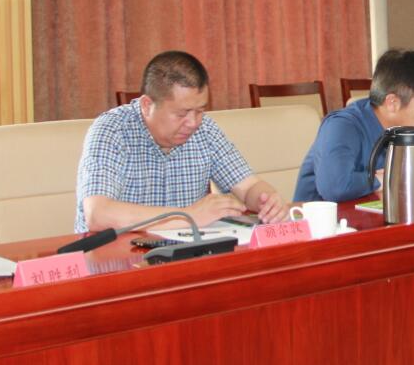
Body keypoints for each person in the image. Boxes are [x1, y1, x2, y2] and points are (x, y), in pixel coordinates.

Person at [76, 51, 289, 233]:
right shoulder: (112, 130)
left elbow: (249, 186)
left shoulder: (206, 130)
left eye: (200, 111)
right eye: (181, 114)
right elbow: (98, 214)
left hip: (183, 254)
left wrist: (267, 201)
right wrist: (188, 216)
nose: (193, 123)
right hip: (116, 258)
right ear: (147, 105)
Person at [293, 49, 414, 202]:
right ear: (392, 103)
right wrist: (385, 179)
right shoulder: (342, 127)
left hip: (379, 221)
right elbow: (335, 187)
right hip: (324, 230)